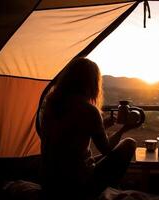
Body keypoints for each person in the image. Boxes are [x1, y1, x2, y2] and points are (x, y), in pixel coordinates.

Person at [39, 57, 137, 199]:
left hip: (50, 183)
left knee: (90, 160)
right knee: (129, 144)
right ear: (91, 82)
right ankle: (106, 191)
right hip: (77, 184)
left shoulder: (51, 105)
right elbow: (106, 149)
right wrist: (124, 129)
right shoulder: (88, 110)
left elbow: (73, 132)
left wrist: (104, 125)